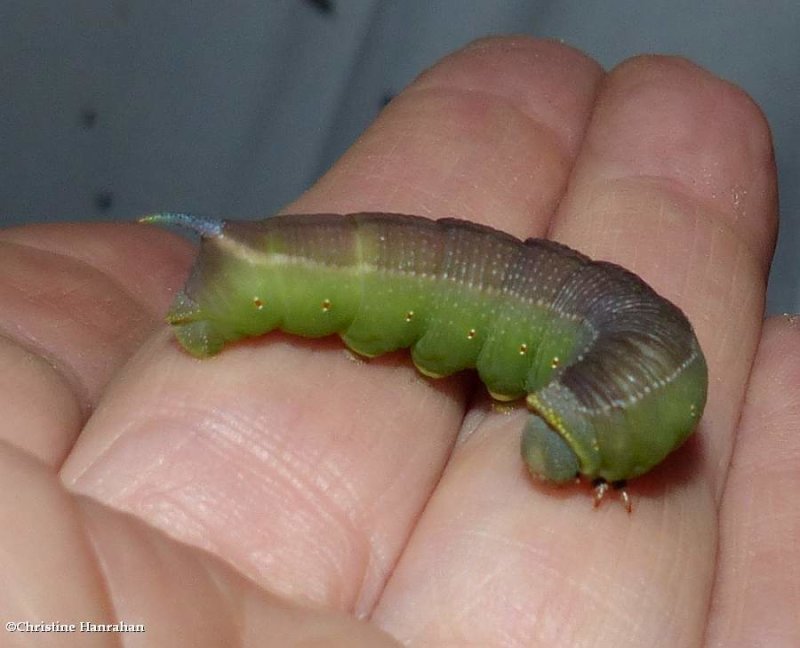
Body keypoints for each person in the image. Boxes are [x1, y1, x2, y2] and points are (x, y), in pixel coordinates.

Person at [1, 37, 796, 646]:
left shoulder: (624, 344)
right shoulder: (613, 348)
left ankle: (243, 264)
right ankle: (243, 272)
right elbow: (544, 454)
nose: (543, 461)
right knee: (390, 273)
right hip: (324, 271)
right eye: (580, 434)